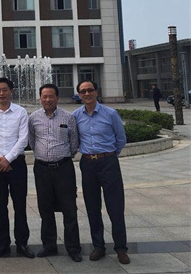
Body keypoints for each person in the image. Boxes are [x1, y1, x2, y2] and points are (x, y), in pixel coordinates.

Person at [73, 80, 130, 265]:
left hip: (108, 162)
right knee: (92, 206)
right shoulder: (76, 116)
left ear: (96, 92)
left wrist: (109, 156)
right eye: (83, 91)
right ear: (79, 95)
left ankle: (121, 248)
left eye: (90, 90)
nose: (87, 94)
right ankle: (98, 246)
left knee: (115, 206)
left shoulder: (110, 114)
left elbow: (121, 139)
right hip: (88, 163)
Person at [28, 83, 82, 263]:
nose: (48, 99)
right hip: (42, 169)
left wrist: (63, 157)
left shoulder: (69, 117)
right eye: (44, 96)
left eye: (51, 96)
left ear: (57, 98)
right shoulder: (33, 118)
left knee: (69, 209)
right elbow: (32, 140)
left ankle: (73, 248)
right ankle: (49, 245)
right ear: (40, 98)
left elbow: (74, 143)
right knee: (45, 208)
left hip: (64, 168)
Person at [0, 77, 35, 259]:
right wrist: (0, 159)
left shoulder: (20, 112)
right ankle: (3, 243)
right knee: (0, 205)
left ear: (11, 91)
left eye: (4, 90)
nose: (1, 93)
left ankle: (22, 243)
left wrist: (9, 159)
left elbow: (23, 139)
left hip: (17, 163)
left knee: (20, 204)